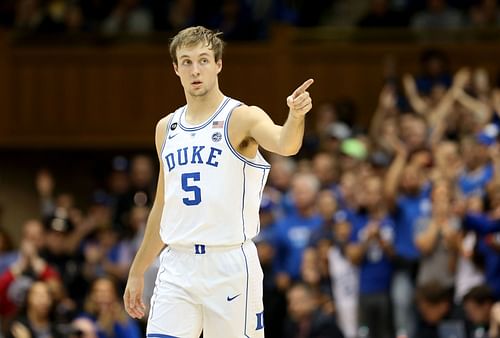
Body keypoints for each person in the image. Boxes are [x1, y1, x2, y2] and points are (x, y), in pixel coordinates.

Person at [123, 25, 314, 338]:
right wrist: (137, 269)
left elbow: (285, 144)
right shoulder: (165, 128)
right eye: (186, 61)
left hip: (229, 263)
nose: (195, 69)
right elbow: (162, 207)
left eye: (203, 60)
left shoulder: (242, 117)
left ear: (218, 64)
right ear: (176, 68)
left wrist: (295, 116)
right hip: (178, 264)